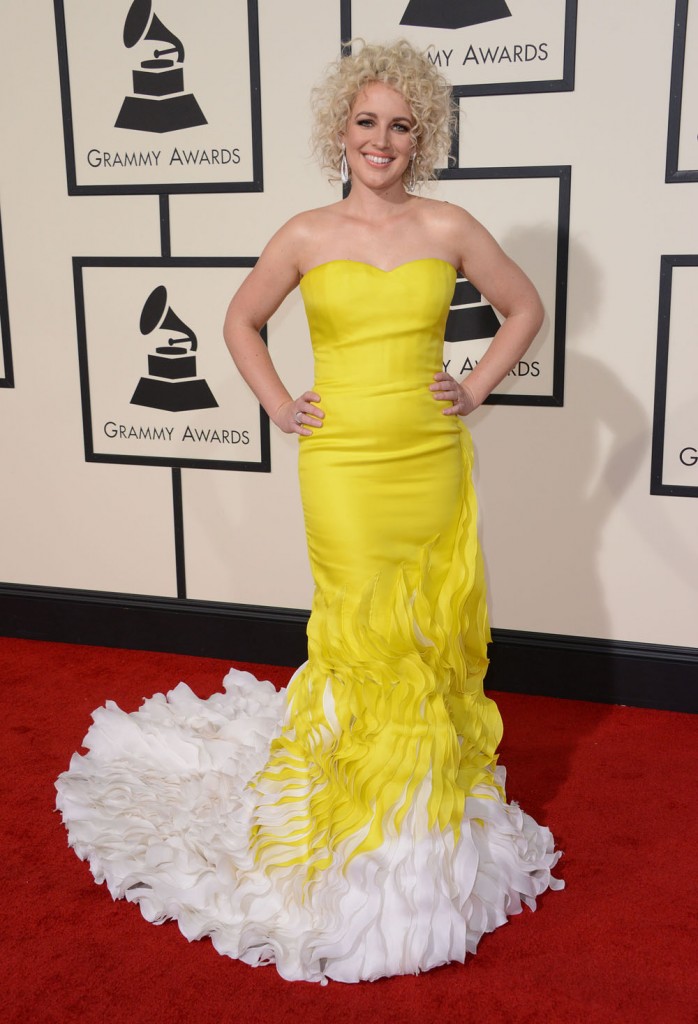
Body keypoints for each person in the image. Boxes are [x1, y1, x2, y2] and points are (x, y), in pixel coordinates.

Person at [56, 39, 563, 985]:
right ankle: (362, 809)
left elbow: (523, 306)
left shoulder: (450, 225)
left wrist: (478, 383)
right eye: (366, 121)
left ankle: (419, 806)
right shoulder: (303, 233)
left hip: (428, 456)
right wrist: (282, 405)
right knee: (358, 627)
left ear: (422, 137)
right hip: (341, 465)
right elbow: (239, 321)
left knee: (425, 626)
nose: (382, 139)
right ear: (342, 129)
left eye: (401, 125)